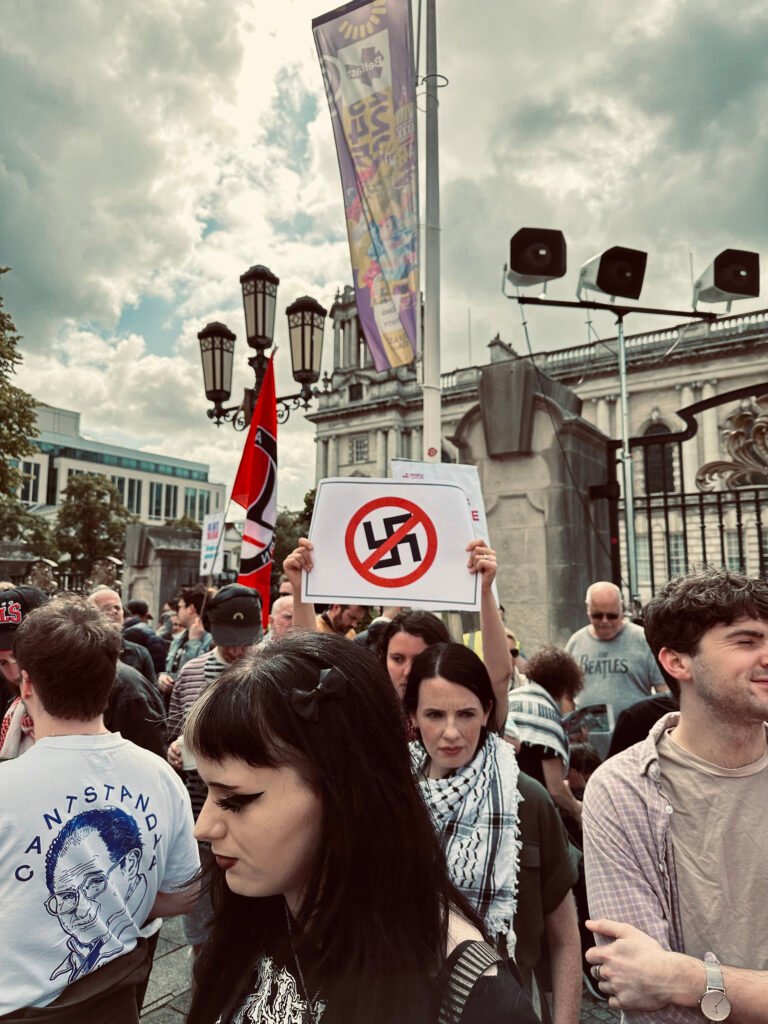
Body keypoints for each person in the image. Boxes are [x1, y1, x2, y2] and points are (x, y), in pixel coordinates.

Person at [185, 631, 539, 1024]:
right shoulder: (254, 912)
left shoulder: (473, 995)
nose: (204, 827)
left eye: (238, 799)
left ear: (344, 793)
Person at [0, 596, 199, 1021]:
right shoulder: (161, 776)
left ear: (27, 684)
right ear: (110, 680)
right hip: (115, 995)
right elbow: (186, 892)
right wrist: (117, 902)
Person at [583, 568, 768, 1019]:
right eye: (746, 641)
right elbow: (646, 997)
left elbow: (664, 984)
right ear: (676, 662)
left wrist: (687, 980)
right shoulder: (620, 790)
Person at [404, 642, 581, 1024]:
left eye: (466, 713)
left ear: (487, 712)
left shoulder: (525, 798)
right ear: (413, 717)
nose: (451, 732)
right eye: (434, 714)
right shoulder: (393, 800)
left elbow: (565, 938)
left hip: (510, 1004)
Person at [286, 536, 512, 730]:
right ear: (383, 659)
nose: (407, 671)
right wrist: (300, 590)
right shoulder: (364, 711)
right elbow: (311, 673)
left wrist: (484, 592)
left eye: (421, 658)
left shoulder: (467, 708)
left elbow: (498, 678)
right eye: (398, 658)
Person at [166, 582, 264, 957]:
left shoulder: (272, 672)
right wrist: (173, 750)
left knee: (252, 922)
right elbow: (172, 730)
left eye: (246, 640)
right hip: (199, 814)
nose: (239, 650)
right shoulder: (191, 673)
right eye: (229, 640)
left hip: (254, 818)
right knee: (202, 928)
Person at [565, 581, 667, 724]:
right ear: (588, 609)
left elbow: (664, 690)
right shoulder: (576, 642)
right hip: (588, 738)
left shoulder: (643, 640)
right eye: (597, 615)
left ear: (621, 608)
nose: (605, 621)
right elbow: (565, 695)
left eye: (612, 615)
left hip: (635, 733)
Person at [506, 646, 584, 824]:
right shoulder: (547, 717)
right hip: (528, 812)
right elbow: (555, 789)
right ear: (566, 686)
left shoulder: (511, 698)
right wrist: (578, 809)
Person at [89, 586, 157, 687]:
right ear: (91, 614)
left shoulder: (140, 653)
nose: (114, 611)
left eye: (117, 607)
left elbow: (152, 693)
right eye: (107, 608)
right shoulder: (83, 650)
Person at [158, 584, 213, 701]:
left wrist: (194, 642)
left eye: (180, 607)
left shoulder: (210, 641)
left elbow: (193, 676)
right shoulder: (179, 639)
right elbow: (173, 670)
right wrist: (163, 678)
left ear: (191, 608)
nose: (177, 612)